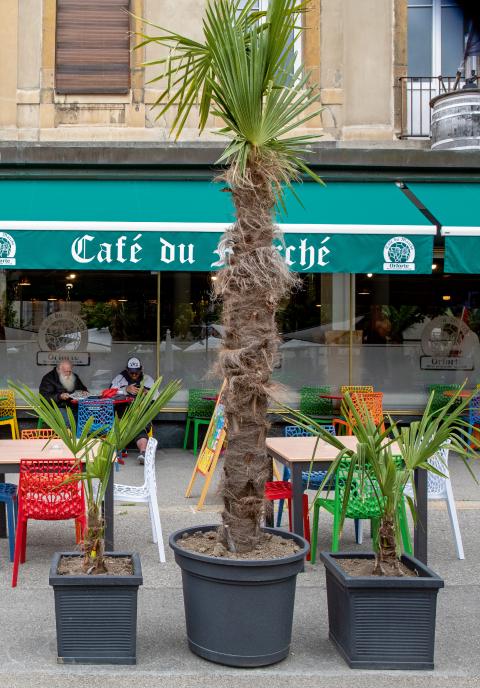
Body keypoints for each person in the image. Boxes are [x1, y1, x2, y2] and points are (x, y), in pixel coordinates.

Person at [111, 357, 156, 464]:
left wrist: (146, 392)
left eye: (136, 372)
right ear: (127, 370)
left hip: (140, 412)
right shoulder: (119, 378)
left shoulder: (147, 379)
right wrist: (125, 389)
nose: (134, 375)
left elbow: (156, 396)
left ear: (141, 369)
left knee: (140, 427)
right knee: (119, 424)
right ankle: (119, 449)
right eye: (131, 373)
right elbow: (110, 393)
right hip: (123, 413)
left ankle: (143, 453)